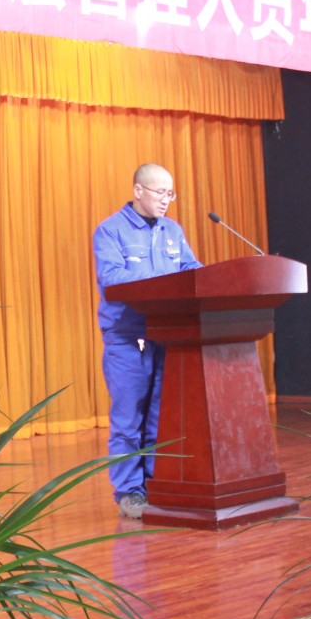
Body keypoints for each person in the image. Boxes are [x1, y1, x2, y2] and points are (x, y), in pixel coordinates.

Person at [92, 163, 201, 519]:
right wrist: (163, 280)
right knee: (129, 419)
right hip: (130, 338)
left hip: (167, 334)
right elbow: (112, 277)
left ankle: (157, 484)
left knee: (160, 417)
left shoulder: (173, 230)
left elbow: (191, 271)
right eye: (160, 192)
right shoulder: (110, 231)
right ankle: (129, 493)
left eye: (171, 194)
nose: (166, 200)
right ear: (138, 191)